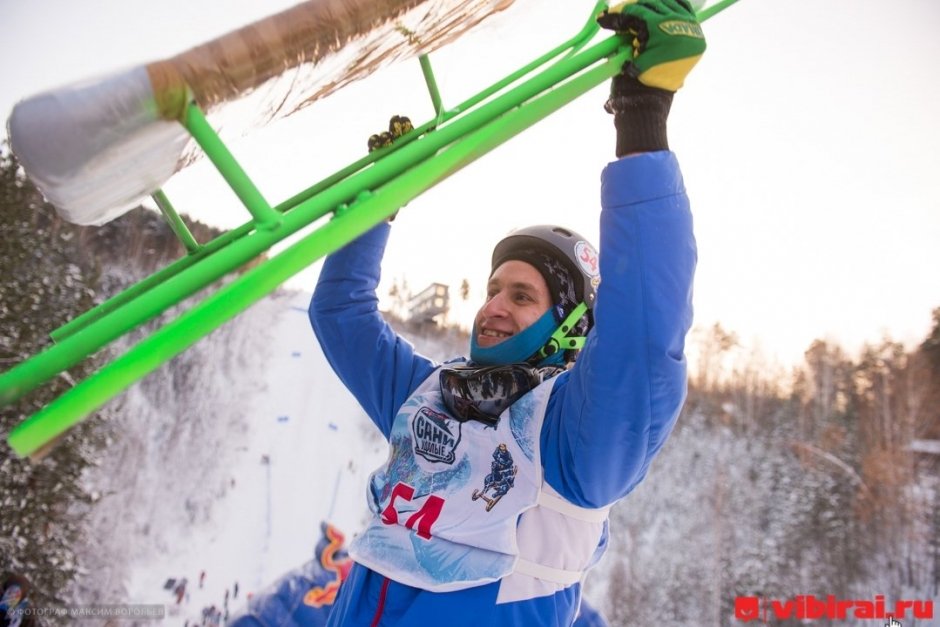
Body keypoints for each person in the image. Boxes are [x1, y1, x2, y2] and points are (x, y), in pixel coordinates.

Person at [308, 0, 703, 624]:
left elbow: (643, 336)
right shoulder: (428, 397)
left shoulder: (575, 441)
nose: (493, 307)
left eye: (522, 296)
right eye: (494, 289)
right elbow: (339, 316)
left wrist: (643, 119)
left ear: (571, 326)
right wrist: (373, 207)